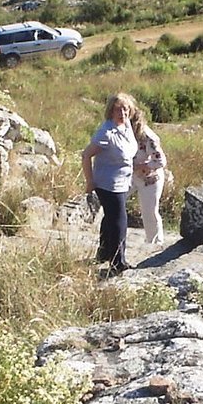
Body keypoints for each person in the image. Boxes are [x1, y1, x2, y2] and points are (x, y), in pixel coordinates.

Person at [82, 92, 139, 273]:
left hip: (123, 180)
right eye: (117, 109)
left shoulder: (126, 125)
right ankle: (118, 262)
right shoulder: (106, 133)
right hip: (108, 184)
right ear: (110, 111)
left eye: (125, 109)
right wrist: (89, 181)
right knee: (119, 221)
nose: (122, 112)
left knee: (110, 217)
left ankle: (104, 252)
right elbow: (86, 155)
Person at [129, 105, 168, 247]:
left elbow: (160, 161)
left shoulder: (148, 137)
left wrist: (143, 167)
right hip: (130, 176)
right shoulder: (123, 134)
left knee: (149, 212)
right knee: (115, 201)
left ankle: (155, 244)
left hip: (151, 179)